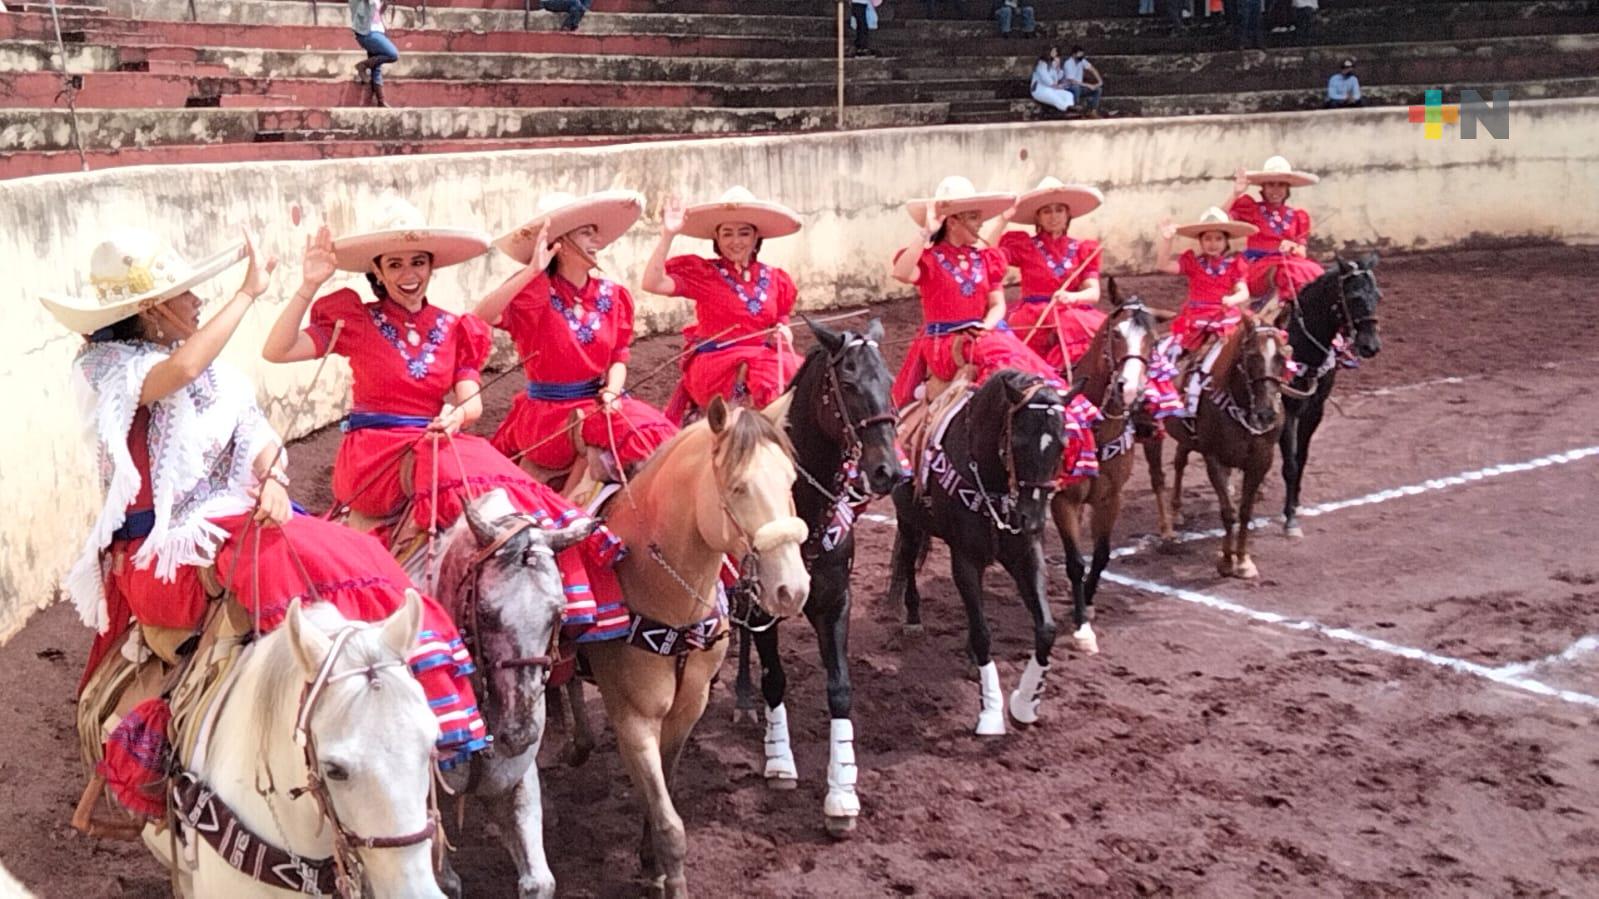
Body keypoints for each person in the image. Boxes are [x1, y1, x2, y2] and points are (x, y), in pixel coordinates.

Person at [42, 228, 488, 805]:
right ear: (154, 310)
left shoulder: (217, 375)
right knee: (290, 569)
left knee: (358, 551)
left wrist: (273, 479)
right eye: (186, 295)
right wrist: (248, 294)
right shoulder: (107, 369)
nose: (197, 301)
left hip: (235, 525)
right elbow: (174, 375)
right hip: (162, 550)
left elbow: (256, 435)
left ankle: (414, 704)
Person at [263, 198, 631, 645]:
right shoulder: (356, 318)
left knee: (497, 471)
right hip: (377, 449)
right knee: (477, 470)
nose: (408, 273)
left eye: (418, 262)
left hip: (437, 440)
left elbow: (470, 401)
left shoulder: (455, 327)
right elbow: (277, 351)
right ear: (377, 272)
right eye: (395, 264)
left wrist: (454, 416)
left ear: (431, 267)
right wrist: (307, 287)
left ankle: (553, 580)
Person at [892, 176, 1101, 482]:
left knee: (1030, 366)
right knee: (1005, 363)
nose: (980, 224)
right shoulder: (930, 259)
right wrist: (926, 230)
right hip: (945, 340)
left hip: (985, 335)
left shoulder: (985, 259)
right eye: (974, 217)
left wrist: (985, 327)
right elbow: (900, 272)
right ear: (953, 222)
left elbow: (998, 306)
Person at [474, 190, 677, 492]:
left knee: (659, 431)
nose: (597, 241)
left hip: (601, 404)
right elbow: (482, 317)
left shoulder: (613, 294)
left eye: (596, 233)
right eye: (586, 233)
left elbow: (619, 356)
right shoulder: (536, 290)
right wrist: (532, 271)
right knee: (636, 431)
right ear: (561, 243)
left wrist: (612, 390)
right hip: (550, 415)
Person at [642, 186, 803, 422]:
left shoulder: (775, 279)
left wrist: (783, 331)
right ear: (717, 238)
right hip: (715, 365)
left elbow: (780, 317)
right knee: (763, 374)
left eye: (744, 233)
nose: (735, 241)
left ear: (756, 237)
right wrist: (668, 235)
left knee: (804, 375)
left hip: (763, 360)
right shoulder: (705, 274)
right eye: (727, 233)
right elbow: (652, 283)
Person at [984, 177, 1106, 370]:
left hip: (1072, 311)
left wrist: (1072, 297)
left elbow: (1093, 293)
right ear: (1037, 217)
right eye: (1046, 211)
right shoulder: (1024, 245)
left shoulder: (1083, 249)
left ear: (1068, 214)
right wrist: (1002, 221)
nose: (1054, 216)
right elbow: (988, 255)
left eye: (1059, 210)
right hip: (1034, 316)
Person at [1153, 207, 1257, 413]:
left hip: (1225, 316)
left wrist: (1233, 298)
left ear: (1226, 241)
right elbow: (1163, 265)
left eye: (1218, 238)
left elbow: (1243, 291)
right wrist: (1167, 241)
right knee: (1165, 353)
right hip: (1196, 318)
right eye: (1207, 238)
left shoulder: (1235, 263)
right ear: (1200, 241)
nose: (1212, 243)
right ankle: (1163, 395)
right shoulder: (1193, 262)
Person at [1224, 155, 1324, 301]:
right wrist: (1236, 193)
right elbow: (1219, 219)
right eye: (1271, 185)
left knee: (1317, 272)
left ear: (1287, 188)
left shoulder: (1298, 216)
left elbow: (1302, 252)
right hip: (1258, 266)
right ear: (1263, 187)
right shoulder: (1252, 209)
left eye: (1281, 185)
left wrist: (1293, 247)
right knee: (1285, 272)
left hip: (1290, 262)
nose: (1275, 190)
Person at [347, 0, 396, 108]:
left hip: (378, 31)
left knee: (376, 67)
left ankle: (381, 101)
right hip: (367, 33)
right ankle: (362, 65)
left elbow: (376, 14)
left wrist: (385, 5)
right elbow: (363, 11)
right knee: (393, 54)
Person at [1030, 46, 1075, 114]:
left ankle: (1070, 109)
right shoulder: (1041, 64)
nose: (1055, 54)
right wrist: (1056, 86)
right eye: (1053, 51)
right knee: (1055, 97)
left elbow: (1058, 78)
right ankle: (1068, 110)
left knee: (1068, 95)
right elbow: (1045, 78)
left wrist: (1058, 67)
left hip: (1051, 88)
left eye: (1056, 52)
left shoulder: (1052, 64)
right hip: (1040, 90)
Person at [1062, 46, 1104, 117]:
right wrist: (1088, 85)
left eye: (1082, 54)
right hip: (1069, 88)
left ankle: (1092, 111)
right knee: (1076, 87)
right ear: (1074, 54)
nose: (1081, 56)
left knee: (1098, 90)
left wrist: (1100, 81)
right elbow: (1072, 81)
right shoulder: (1068, 63)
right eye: (1079, 54)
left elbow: (1093, 69)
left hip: (1080, 87)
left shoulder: (1082, 61)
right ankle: (1075, 109)